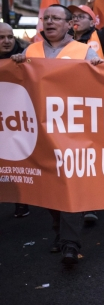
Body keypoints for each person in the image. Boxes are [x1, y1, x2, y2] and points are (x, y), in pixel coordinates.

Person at [11, 4, 103, 266]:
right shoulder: (31, 51)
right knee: (49, 185)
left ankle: (70, 244)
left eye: (55, 18)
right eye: (46, 18)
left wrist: (98, 67)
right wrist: (18, 64)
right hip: (40, 131)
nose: (49, 22)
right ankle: (59, 231)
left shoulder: (85, 51)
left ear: (69, 24)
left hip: (74, 131)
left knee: (68, 184)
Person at [0, 22, 31, 218]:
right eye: (2, 37)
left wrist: (24, 62)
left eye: (10, 37)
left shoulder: (25, 55)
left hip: (18, 116)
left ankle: (22, 200)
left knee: (19, 158)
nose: (7, 41)